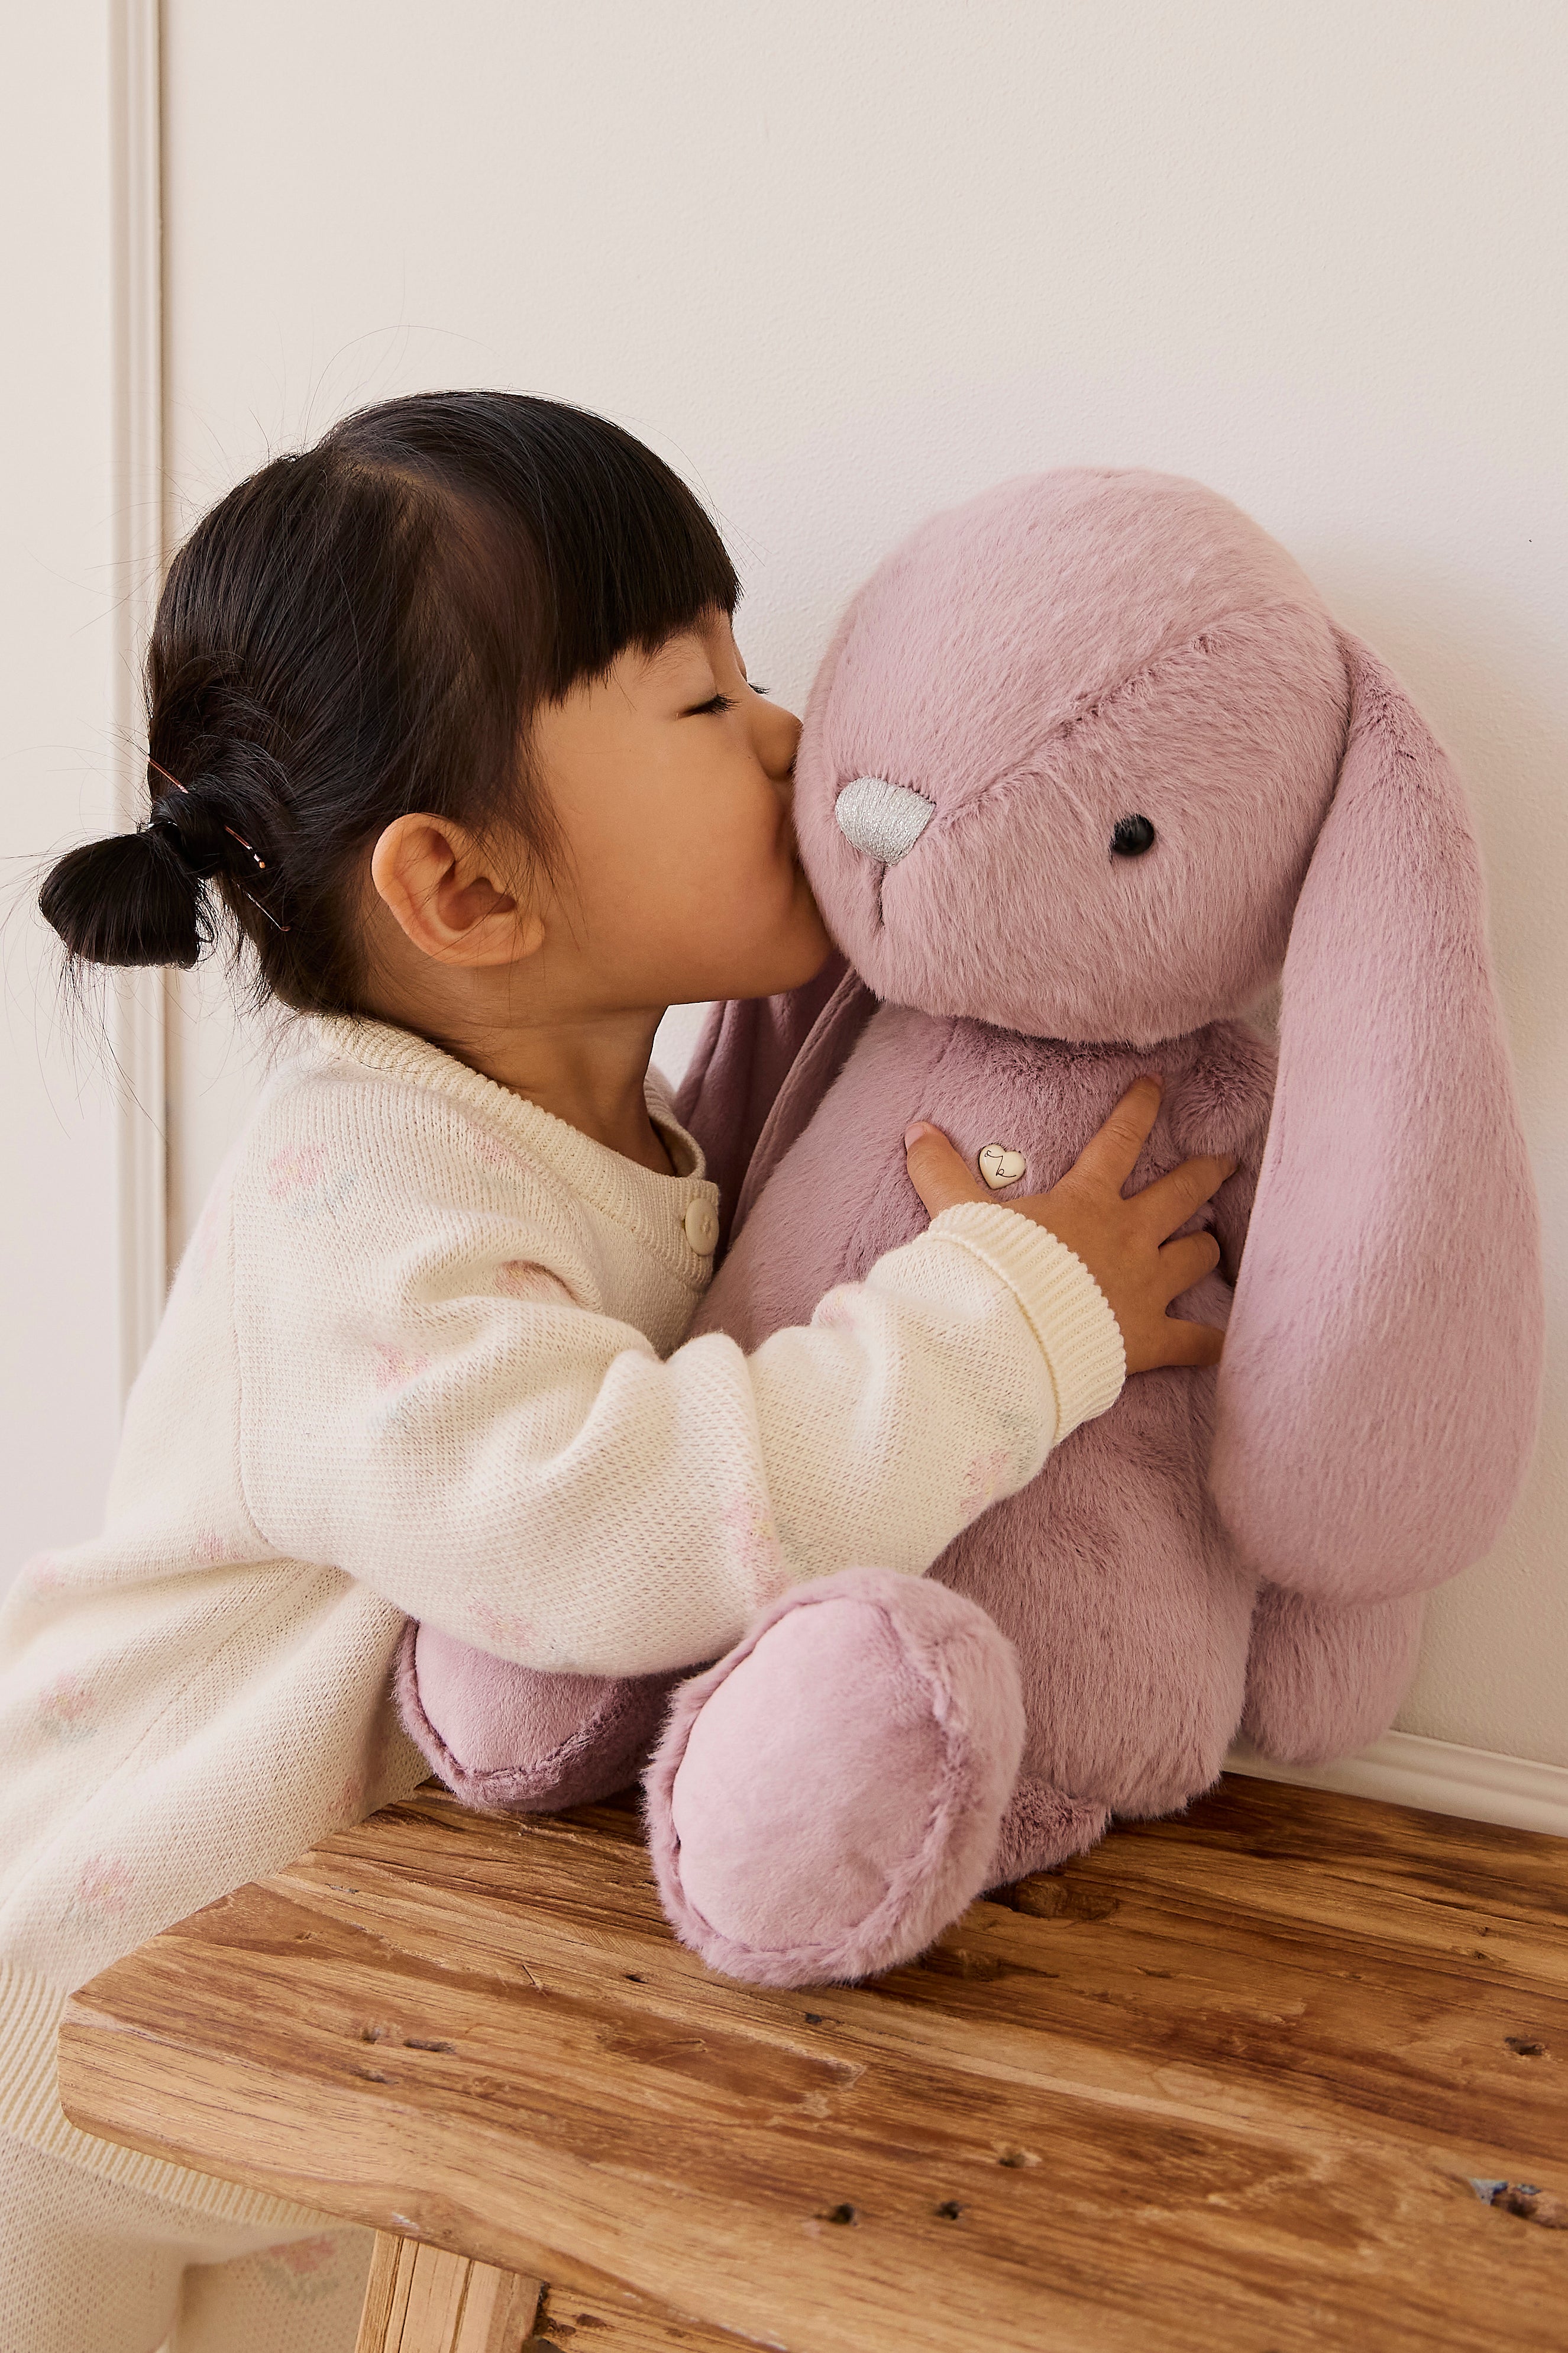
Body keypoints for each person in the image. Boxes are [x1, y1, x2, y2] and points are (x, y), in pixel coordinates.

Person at [3, 392, 1230, 2348]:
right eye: (698, 700)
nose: (784, 735)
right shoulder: (358, 1201)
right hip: (77, 2013)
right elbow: (628, 1523)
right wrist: (1016, 1310)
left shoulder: (614, 1129)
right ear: (467, 891)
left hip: (312, 1982)